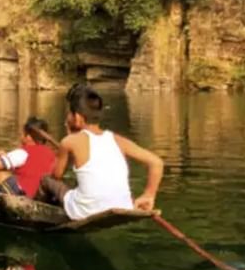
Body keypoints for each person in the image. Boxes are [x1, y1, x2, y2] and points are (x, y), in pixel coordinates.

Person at [39, 83, 164, 219]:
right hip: (124, 205)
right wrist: (149, 195)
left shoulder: (69, 141)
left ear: (78, 118)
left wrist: (67, 145)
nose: (67, 117)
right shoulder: (118, 140)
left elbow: (56, 175)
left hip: (85, 211)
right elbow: (156, 163)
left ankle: (42, 213)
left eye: (69, 113)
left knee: (46, 180)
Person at [0, 116, 56, 197]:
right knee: (3, 167)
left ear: (28, 137)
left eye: (22, 134)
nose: (20, 136)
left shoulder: (23, 152)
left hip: (23, 196)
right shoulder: (51, 154)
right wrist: (4, 156)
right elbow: (31, 168)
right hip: (38, 195)